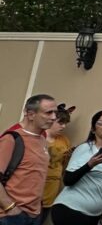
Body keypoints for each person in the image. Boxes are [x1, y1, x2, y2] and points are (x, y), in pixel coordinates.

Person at [51, 111, 102, 225]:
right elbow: (68, 180)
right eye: (101, 123)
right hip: (71, 210)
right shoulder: (85, 149)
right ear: (93, 129)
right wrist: (89, 165)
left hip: (93, 215)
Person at [0, 94, 59, 225]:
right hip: (10, 216)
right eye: (49, 112)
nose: (54, 117)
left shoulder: (42, 140)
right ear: (31, 114)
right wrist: (10, 208)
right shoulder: (11, 139)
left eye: (55, 112)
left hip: (34, 215)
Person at [41, 105, 75, 223]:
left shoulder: (64, 141)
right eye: (60, 122)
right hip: (32, 192)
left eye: (66, 123)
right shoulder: (39, 137)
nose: (64, 126)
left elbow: (64, 166)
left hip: (50, 193)